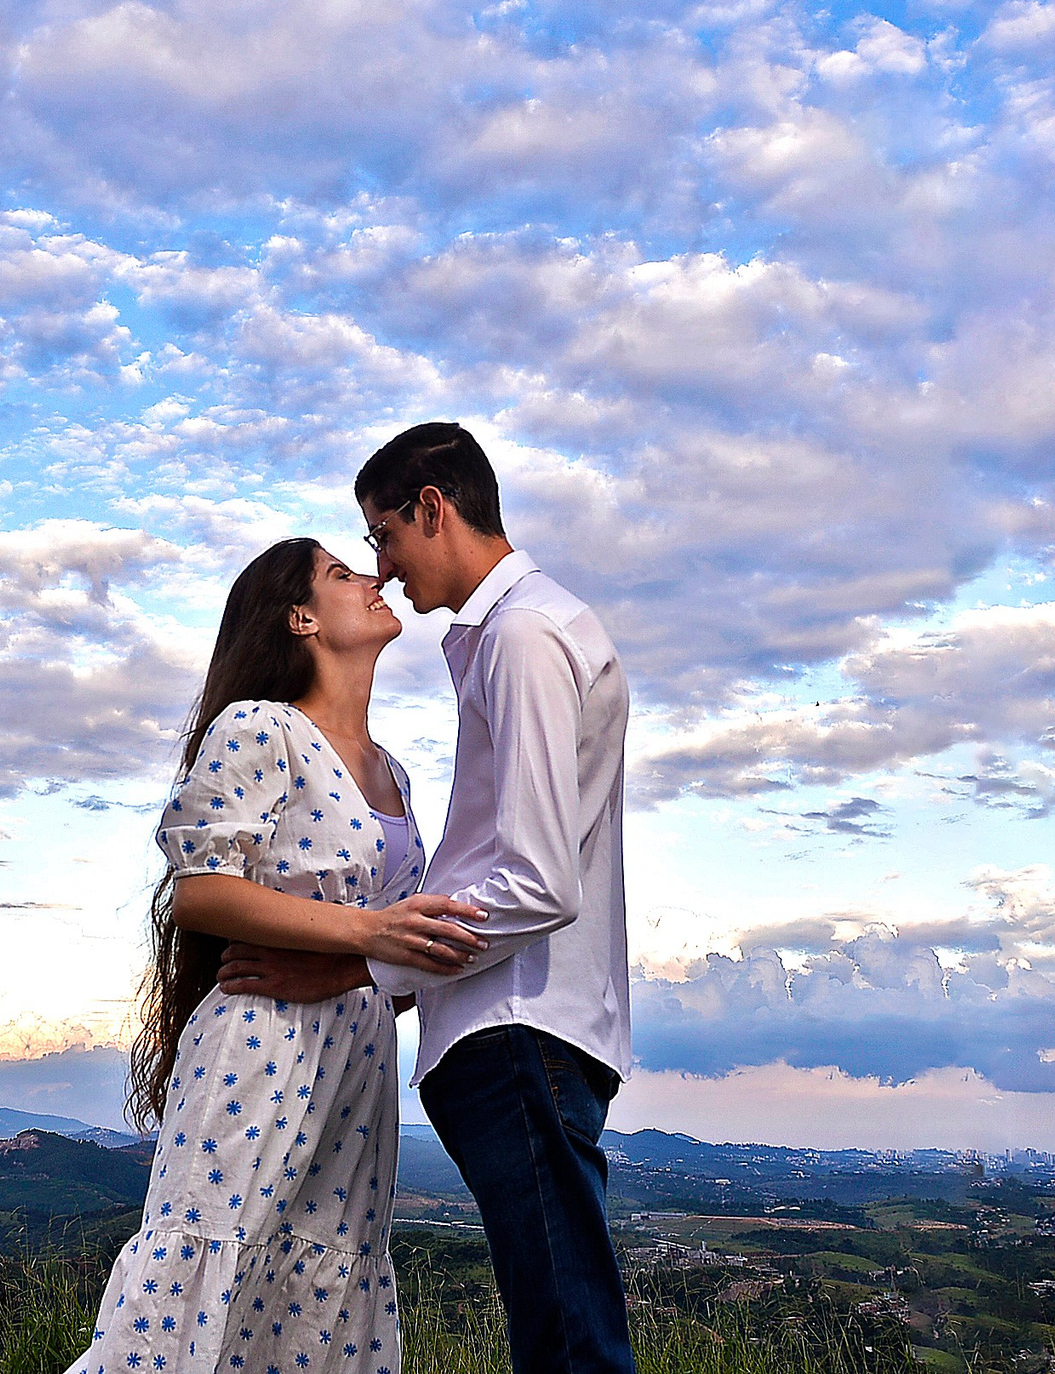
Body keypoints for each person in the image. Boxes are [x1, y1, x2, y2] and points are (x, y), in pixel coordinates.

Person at [220, 423, 637, 1374]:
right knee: (558, 1333)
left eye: (382, 534)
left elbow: (534, 881)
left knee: (568, 1344)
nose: (383, 566)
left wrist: (349, 966)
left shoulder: (525, 636)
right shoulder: (527, 634)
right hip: (522, 1029)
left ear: (433, 508)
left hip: (519, 1028)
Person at [70, 537, 491, 1374]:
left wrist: (378, 965)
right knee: (207, 1267)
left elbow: (401, 950)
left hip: (357, 1071)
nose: (374, 578)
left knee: (313, 1308)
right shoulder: (264, 728)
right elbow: (201, 891)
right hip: (262, 1048)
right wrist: (368, 936)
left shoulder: (397, 775)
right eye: (342, 574)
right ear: (300, 618)